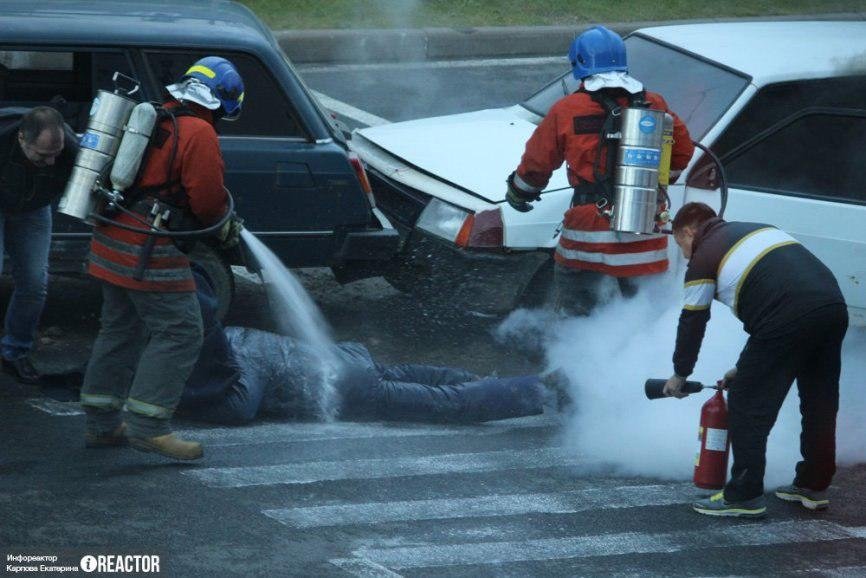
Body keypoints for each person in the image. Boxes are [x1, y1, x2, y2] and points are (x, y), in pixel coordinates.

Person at [79, 56, 244, 461]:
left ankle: (101, 425)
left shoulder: (156, 114)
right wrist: (224, 224)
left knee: (120, 328)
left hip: (111, 237)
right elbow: (205, 198)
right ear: (220, 100)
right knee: (181, 331)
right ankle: (149, 428)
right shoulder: (198, 132)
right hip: (146, 249)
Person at [176, 267, 546, 426]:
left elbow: (240, 409)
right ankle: (491, 381)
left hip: (345, 385)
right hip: (344, 356)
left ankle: (537, 390)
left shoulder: (238, 367)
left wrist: (184, 402)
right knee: (415, 375)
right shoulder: (237, 334)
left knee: (446, 403)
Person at [663, 202, 848, 518]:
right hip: (832, 307)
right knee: (819, 401)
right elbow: (772, 309)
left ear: (688, 230)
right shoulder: (758, 229)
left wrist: (680, 373)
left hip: (787, 317)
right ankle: (813, 485)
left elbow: (692, 320)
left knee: (748, 403)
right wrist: (742, 367)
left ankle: (744, 494)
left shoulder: (704, 257)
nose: (683, 255)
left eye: (680, 243)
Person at [506, 26, 694, 315]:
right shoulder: (653, 103)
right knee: (641, 320)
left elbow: (536, 165)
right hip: (643, 229)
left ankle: (573, 356)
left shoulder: (567, 110)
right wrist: (652, 183)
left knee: (577, 316)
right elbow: (682, 152)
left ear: (578, 64)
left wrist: (519, 194)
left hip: (587, 236)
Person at [0, 106, 78, 384]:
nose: (50, 162)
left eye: (54, 155)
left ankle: (14, 351)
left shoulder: (69, 148)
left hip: (33, 209)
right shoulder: (4, 132)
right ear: (22, 138)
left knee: (34, 283)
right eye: (42, 155)